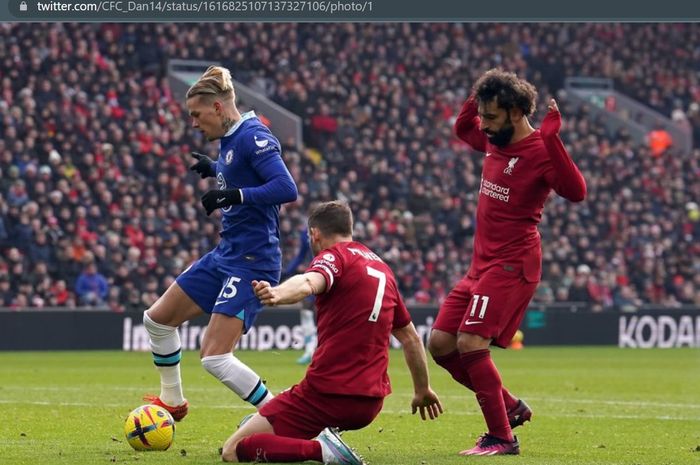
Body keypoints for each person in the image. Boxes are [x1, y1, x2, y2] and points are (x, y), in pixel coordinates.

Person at [428, 69, 587, 455]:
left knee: (469, 342)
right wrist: (480, 89)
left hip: (513, 263)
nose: (483, 124)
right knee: (440, 343)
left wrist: (552, 139)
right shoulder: (491, 139)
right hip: (480, 265)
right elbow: (461, 126)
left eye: (492, 117)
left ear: (517, 113)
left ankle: (502, 436)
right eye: (483, 115)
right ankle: (511, 406)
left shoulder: (539, 151)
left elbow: (577, 192)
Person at [221, 200, 442, 464]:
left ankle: (322, 451)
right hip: (370, 405)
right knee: (264, 424)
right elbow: (411, 338)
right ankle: (312, 436)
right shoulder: (382, 268)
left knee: (233, 450)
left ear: (314, 233)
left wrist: (276, 293)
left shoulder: (333, 257)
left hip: (326, 394)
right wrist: (422, 389)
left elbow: (307, 282)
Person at [142, 65, 298, 421]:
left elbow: (286, 188)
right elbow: (240, 168)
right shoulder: (231, 139)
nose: (194, 124)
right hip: (226, 254)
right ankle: (173, 402)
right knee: (157, 321)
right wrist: (215, 169)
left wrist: (234, 194)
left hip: (252, 261)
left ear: (217, 107)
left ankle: (281, 417)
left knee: (214, 357)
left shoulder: (253, 136)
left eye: (196, 115)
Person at [283, 226, 317, 365]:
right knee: (306, 311)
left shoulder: (329, 228)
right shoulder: (305, 233)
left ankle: (319, 350)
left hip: (329, 273)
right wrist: (287, 271)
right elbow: (301, 255)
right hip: (313, 276)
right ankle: (310, 350)